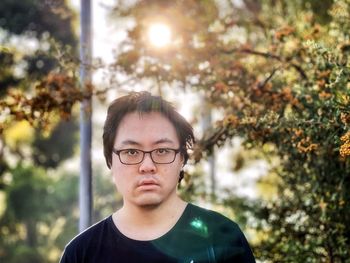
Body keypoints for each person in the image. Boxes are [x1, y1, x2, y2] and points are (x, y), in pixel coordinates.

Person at [60, 91, 256, 263]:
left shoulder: (222, 238)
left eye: (162, 150)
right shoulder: (81, 253)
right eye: (131, 152)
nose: (147, 166)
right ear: (110, 160)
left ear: (181, 158)